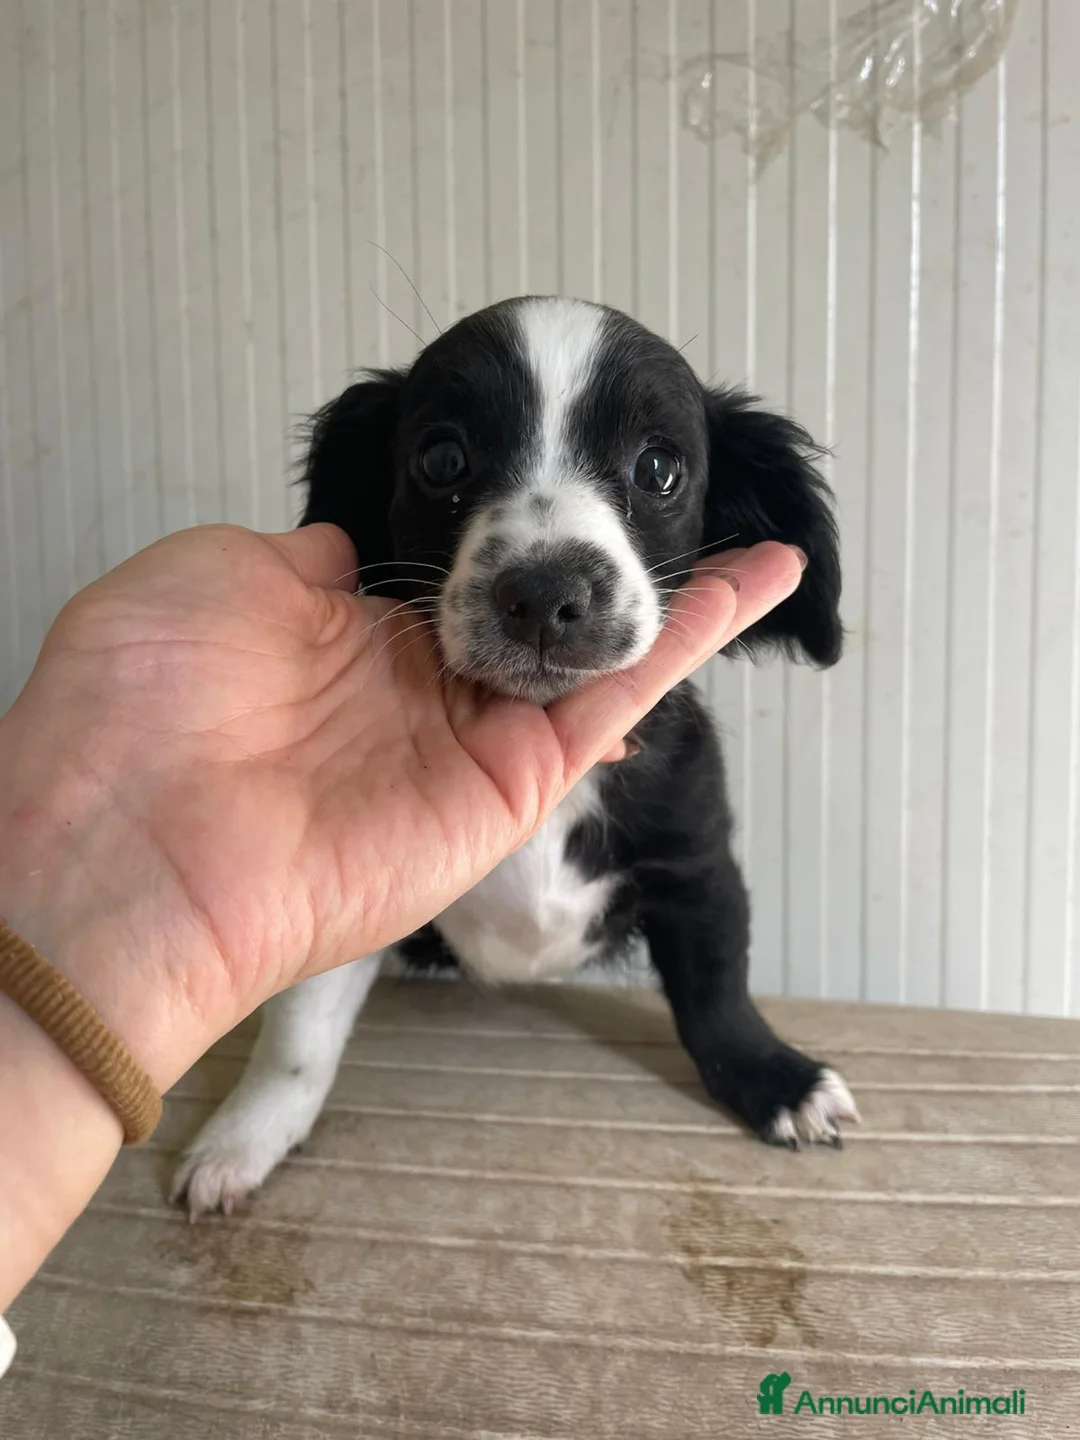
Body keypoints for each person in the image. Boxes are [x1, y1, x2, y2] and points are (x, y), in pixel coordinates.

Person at [0, 520, 805, 1328]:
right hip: (431, 950)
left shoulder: (675, 771)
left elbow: (700, 896)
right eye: (447, 462)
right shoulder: (357, 741)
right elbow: (330, 910)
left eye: (657, 470)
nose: (547, 584)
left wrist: (736, 1048)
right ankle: (287, 1089)